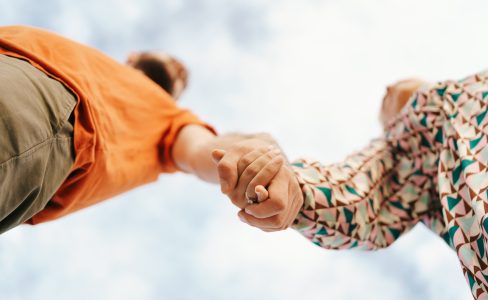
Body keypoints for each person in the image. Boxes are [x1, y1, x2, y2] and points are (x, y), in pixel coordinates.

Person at [215, 67, 488, 299]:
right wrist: (295, 189)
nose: (388, 89)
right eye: (385, 107)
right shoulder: (406, 152)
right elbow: (355, 194)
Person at [0, 25, 288, 234]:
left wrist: (253, 151)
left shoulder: (169, 116)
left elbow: (203, 150)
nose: (179, 71)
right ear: (133, 56)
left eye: (181, 79)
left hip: (47, 110)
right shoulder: (68, 48)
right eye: (173, 63)